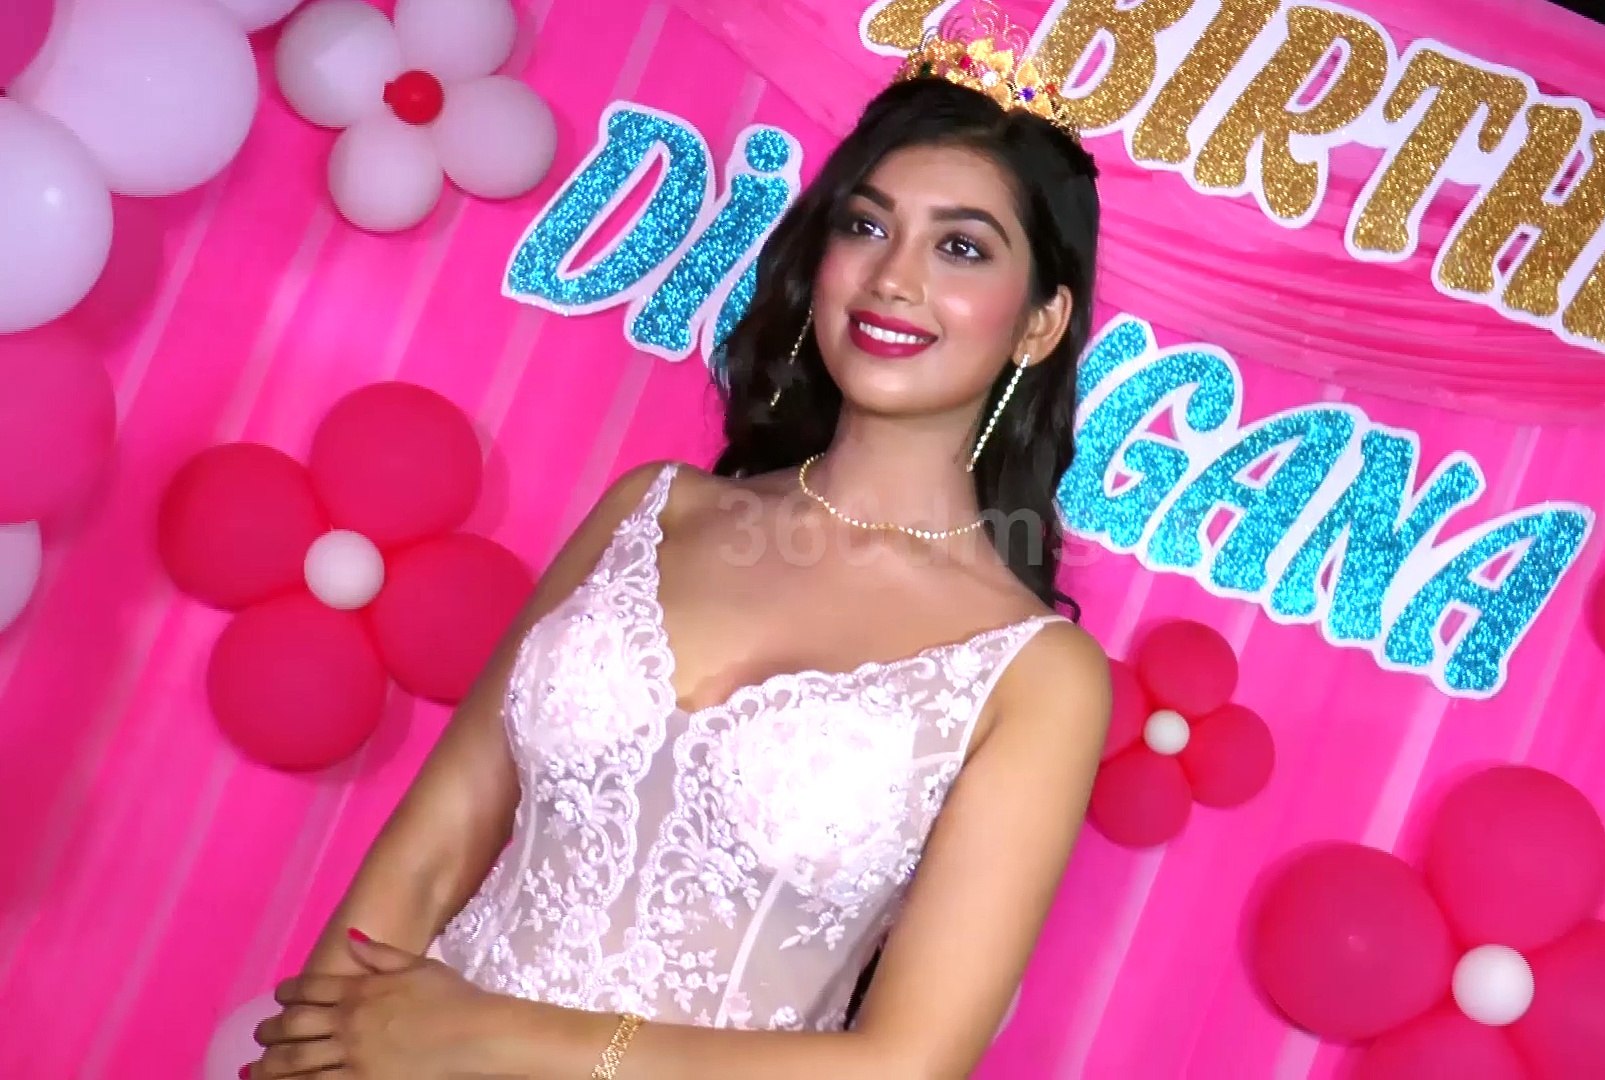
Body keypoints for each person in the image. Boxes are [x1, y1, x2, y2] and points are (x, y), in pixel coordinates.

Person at [247, 8, 1111, 1079]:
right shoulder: (652, 511)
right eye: (866, 226)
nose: (894, 278)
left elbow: (906, 1063)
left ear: (1038, 323)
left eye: (962, 248)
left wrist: (480, 1033)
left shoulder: (1033, 675)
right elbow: (435, 843)